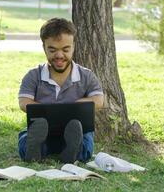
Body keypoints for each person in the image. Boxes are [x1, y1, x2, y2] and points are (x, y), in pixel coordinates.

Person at [17, 18, 104, 163]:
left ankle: (73, 152)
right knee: (26, 137)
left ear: (73, 47)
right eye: (52, 50)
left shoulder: (86, 75)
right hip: (43, 130)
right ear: (44, 47)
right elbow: (23, 102)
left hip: (75, 130)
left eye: (65, 49)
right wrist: (50, 113)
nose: (59, 55)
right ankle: (34, 151)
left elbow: (99, 101)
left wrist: (75, 106)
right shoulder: (33, 75)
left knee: (86, 141)